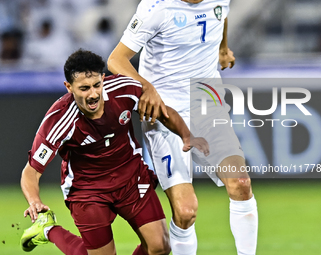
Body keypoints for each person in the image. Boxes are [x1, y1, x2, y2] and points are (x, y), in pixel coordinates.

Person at [20, 49, 209, 255]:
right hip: (88, 190)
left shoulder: (124, 89)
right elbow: (31, 172)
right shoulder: (59, 120)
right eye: (84, 88)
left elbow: (162, 111)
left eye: (96, 85)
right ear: (69, 87)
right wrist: (34, 201)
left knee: (161, 246)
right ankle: (47, 229)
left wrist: (186, 135)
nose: (92, 94)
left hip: (131, 178)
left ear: (103, 78)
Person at [107, 0, 258, 254]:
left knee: (241, 183)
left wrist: (222, 48)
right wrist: (147, 88)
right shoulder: (156, 8)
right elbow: (116, 60)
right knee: (186, 212)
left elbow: (221, 15)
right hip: (166, 114)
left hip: (207, 105)